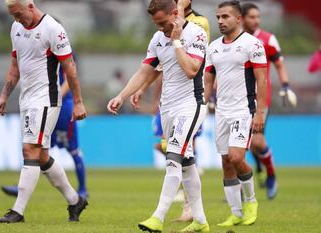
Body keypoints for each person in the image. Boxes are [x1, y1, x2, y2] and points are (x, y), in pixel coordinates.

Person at [108, 0, 209, 232]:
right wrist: (121, 96)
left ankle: (157, 217)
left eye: (163, 23)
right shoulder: (157, 38)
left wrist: (175, 40)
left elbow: (192, 69)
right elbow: (145, 71)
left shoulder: (196, 33)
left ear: (175, 13)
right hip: (167, 109)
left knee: (173, 156)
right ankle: (201, 222)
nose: (161, 28)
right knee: (187, 163)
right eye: (156, 24)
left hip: (191, 105)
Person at [0, 0, 88, 223]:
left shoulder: (53, 29)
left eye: (18, 13)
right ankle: (75, 200)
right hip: (27, 99)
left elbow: (70, 67)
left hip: (47, 99)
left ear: (30, 5)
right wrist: (4, 96)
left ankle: (18, 211)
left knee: (30, 150)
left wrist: (78, 101)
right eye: (12, 15)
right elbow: (14, 69)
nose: (17, 19)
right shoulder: (16, 28)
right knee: (42, 156)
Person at [203, 0, 266, 227]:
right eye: (218, 17)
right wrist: (202, 103)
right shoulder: (214, 47)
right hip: (222, 111)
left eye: (225, 17)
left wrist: (260, 113)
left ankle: (251, 200)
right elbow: (208, 78)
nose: (220, 21)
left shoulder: (253, 44)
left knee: (237, 157)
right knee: (226, 162)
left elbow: (262, 79)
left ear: (238, 19)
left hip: (243, 110)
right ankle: (236, 212)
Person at [1, 59, 89, 199]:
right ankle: (22, 188)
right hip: (45, 106)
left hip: (63, 108)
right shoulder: (38, 46)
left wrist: (57, 98)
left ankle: (83, 190)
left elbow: (70, 77)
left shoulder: (59, 44)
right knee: (33, 148)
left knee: (73, 149)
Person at [242, 2, 297, 199]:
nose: (256, 20)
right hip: (237, 100)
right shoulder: (233, 40)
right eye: (252, 17)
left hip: (260, 100)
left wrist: (285, 86)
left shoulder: (268, 39)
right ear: (242, 18)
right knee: (240, 146)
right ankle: (243, 185)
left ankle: (271, 175)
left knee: (257, 142)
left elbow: (279, 65)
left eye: (258, 17)